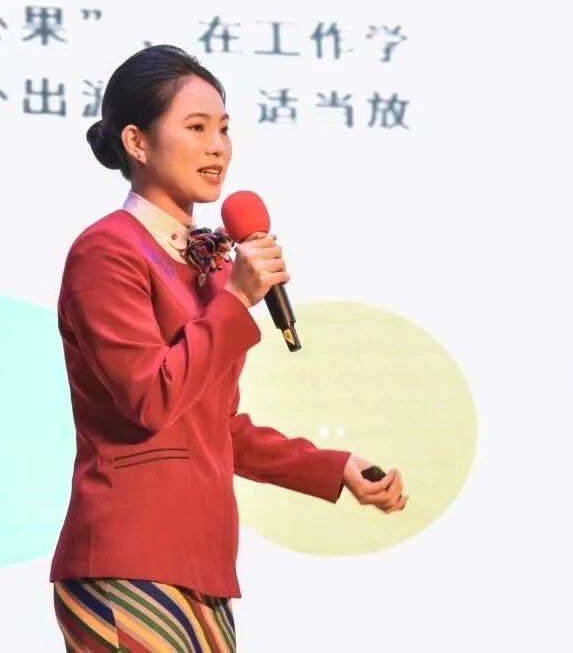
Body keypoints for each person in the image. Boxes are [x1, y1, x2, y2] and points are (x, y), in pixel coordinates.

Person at [51, 45, 407, 652]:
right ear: (137, 142)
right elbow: (149, 399)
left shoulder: (210, 268)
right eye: (196, 128)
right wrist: (238, 298)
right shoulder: (107, 251)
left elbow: (215, 425)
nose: (218, 147)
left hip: (203, 562)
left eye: (223, 129)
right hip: (127, 554)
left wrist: (333, 466)